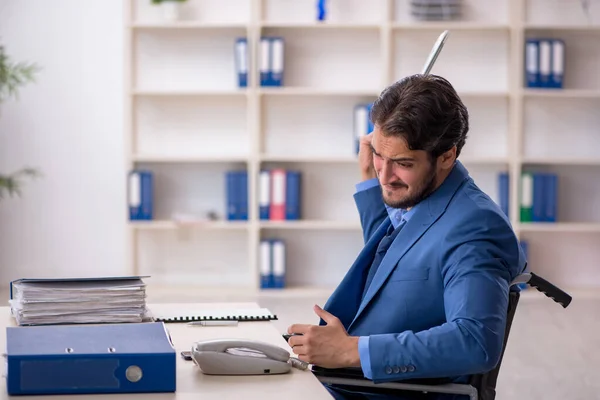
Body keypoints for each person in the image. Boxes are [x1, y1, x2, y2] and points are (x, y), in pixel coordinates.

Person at [286, 74, 527, 399]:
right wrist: (370, 181)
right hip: (344, 381)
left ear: (446, 156)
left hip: (378, 392)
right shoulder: (428, 197)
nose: (385, 175)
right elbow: (393, 261)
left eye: (402, 163)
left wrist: (351, 351)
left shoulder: (475, 227)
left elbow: (475, 340)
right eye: (379, 155)